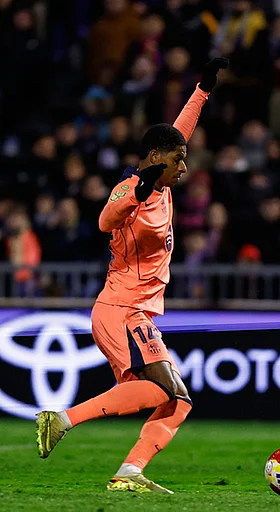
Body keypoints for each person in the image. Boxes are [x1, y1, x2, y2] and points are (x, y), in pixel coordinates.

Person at [34, 58, 230, 494]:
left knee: (177, 401)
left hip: (136, 311)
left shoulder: (162, 181)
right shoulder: (131, 187)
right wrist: (137, 193)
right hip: (120, 310)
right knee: (164, 390)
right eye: (178, 160)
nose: (184, 167)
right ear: (156, 158)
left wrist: (203, 89)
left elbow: (179, 132)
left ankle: (130, 471)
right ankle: (60, 419)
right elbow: (105, 220)